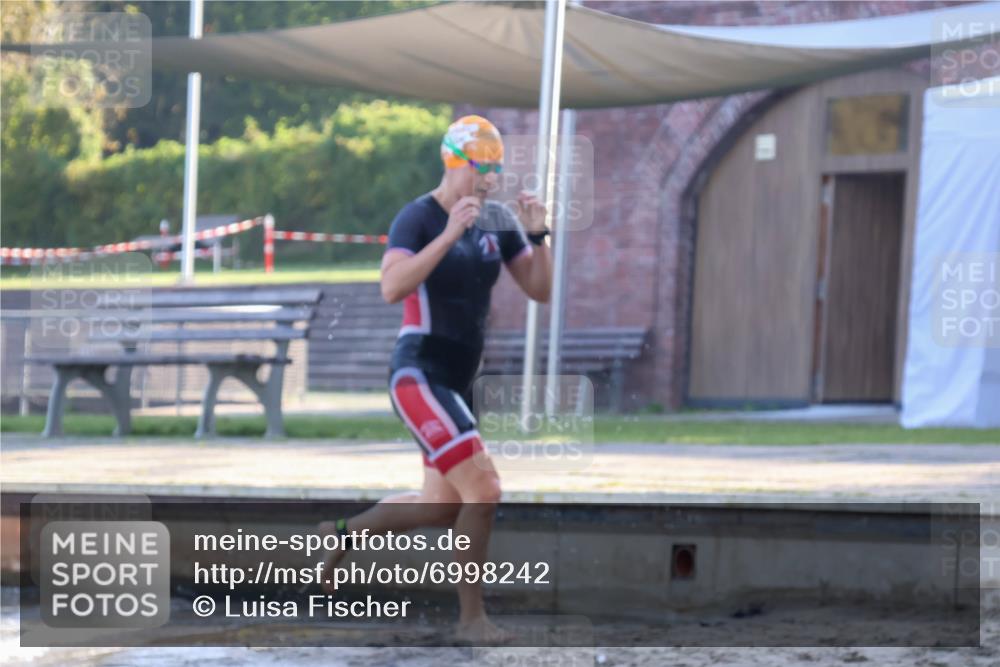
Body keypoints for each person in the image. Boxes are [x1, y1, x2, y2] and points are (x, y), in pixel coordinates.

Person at [317, 115, 553, 642]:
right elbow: (391, 287)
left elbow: (540, 288)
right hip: (419, 373)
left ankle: (339, 534)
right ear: (454, 161)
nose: (490, 181)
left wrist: (538, 234)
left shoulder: (495, 220)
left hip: (460, 379)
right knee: (485, 489)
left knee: (444, 505)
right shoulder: (418, 218)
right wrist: (449, 235)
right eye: (481, 169)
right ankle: (472, 621)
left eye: (495, 171)